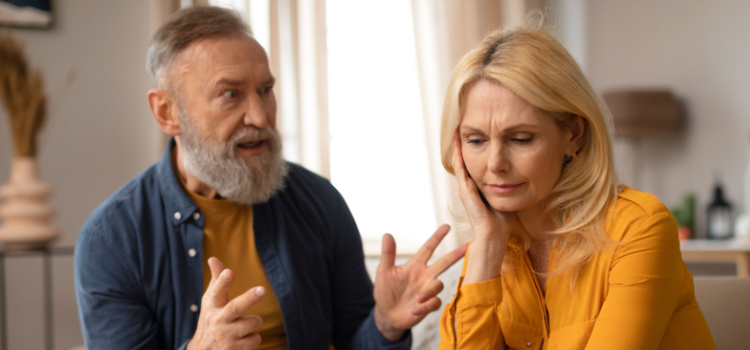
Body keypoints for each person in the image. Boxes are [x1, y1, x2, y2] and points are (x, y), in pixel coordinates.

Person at [74, 6, 466, 350]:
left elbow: (355, 341)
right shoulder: (112, 240)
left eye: (265, 90)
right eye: (231, 95)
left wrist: (386, 324)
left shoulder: (319, 202)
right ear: (166, 112)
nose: (260, 118)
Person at [437, 26, 716, 349]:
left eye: (521, 139)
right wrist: (485, 246)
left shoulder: (639, 228)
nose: (495, 163)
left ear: (573, 134)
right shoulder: (491, 246)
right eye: (476, 140)